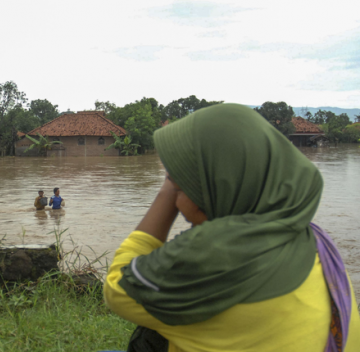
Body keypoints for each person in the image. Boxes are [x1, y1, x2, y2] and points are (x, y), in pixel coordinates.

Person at [104, 104, 359, 351]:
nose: (179, 204)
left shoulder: (209, 256)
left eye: (185, 187)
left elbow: (117, 287)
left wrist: (168, 188)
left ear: (217, 187)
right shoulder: (316, 240)